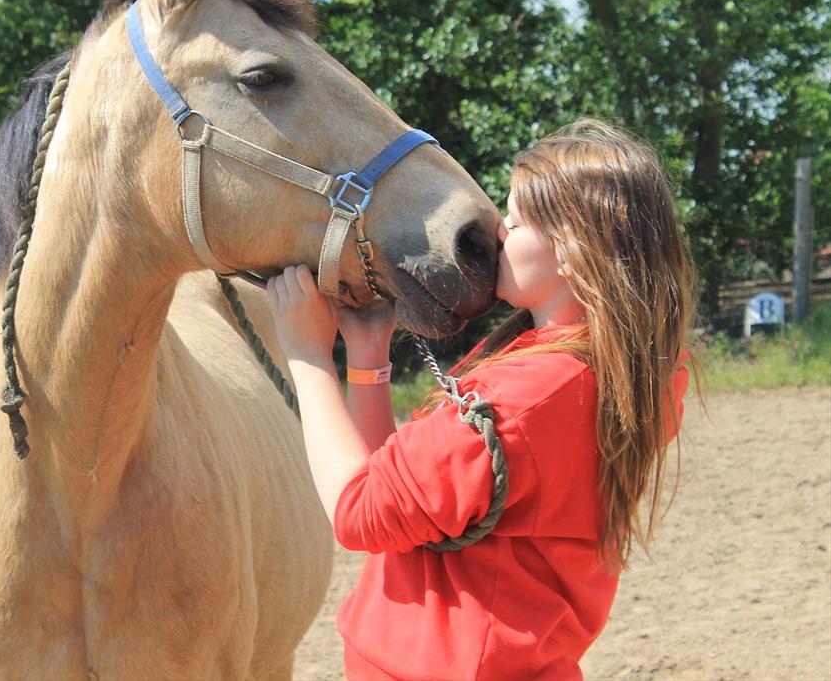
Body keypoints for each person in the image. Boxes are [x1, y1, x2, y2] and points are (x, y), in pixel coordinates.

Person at [266, 118, 697, 681]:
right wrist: (368, 360)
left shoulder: (523, 397)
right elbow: (401, 505)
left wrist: (308, 357)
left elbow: (359, 514)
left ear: (573, 252)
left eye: (515, 222)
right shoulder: (630, 370)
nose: (497, 234)